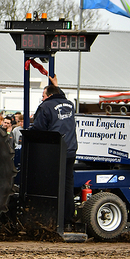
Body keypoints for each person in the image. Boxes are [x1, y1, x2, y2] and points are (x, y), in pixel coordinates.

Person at [31, 75, 77, 230]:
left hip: (54, 151)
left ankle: (50, 220)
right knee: (67, 186)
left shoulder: (45, 107)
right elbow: (60, 96)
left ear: (48, 96)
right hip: (70, 150)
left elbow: (38, 129)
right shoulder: (70, 104)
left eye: (43, 96)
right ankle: (68, 221)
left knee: (50, 186)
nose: (42, 99)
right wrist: (56, 85)